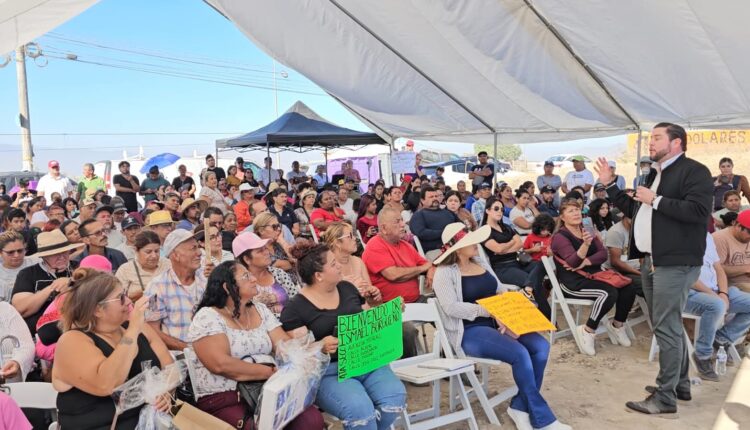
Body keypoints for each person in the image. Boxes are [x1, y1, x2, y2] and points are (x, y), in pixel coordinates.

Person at [596, 122, 713, 415]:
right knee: (668, 324)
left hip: (674, 262)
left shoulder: (694, 171)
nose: (650, 142)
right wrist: (611, 185)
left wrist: (656, 199)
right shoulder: (654, 173)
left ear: (676, 143)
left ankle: (665, 396)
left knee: (665, 326)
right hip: (650, 260)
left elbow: (699, 212)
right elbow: (637, 209)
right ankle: (680, 383)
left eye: (657, 137)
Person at [432, 223, 571, 430]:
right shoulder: (444, 273)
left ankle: (520, 407)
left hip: (499, 321)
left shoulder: (480, 261)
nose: (476, 243)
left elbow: (499, 289)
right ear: (458, 248)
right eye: (471, 241)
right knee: (520, 353)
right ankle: (543, 419)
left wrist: (514, 306)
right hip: (469, 331)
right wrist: (488, 311)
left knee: (541, 347)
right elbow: (451, 308)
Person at [281, 241, 405, 430]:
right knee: (360, 411)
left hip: (367, 359)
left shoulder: (347, 288)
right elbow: (297, 354)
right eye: (333, 263)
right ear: (319, 276)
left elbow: (367, 322)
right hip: (331, 372)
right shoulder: (296, 308)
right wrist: (320, 346)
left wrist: (383, 308)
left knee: (394, 398)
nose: (339, 265)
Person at [187, 261, 323, 430]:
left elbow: (284, 345)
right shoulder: (208, 316)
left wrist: (311, 349)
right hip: (226, 396)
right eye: (246, 276)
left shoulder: (259, 309)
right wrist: (270, 372)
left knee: (311, 420)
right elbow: (220, 364)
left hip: (266, 388)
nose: (253, 279)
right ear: (227, 287)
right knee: (262, 426)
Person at [53, 268, 173, 429]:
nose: (129, 301)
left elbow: (170, 368)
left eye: (125, 294)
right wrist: (133, 330)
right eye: (121, 298)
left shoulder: (139, 329)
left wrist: (166, 392)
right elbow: (106, 384)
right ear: (98, 310)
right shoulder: (72, 341)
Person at [551, 198, 637, 355]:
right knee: (608, 293)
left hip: (595, 275)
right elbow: (573, 261)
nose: (576, 213)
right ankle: (588, 330)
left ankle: (617, 325)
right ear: (562, 217)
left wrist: (586, 262)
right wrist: (585, 245)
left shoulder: (586, 229)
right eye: (571, 211)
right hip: (572, 283)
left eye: (577, 209)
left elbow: (603, 254)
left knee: (629, 286)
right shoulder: (560, 237)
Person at [362, 207, 432, 358]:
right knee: (407, 331)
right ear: (384, 228)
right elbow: (393, 275)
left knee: (444, 308)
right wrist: (421, 269)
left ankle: (447, 355)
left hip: (415, 299)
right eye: (397, 221)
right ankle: (409, 370)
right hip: (389, 306)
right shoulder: (375, 245)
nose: (403, 224)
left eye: (402, 220)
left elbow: (428, 265)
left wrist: (430, 270)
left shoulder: (405, 245)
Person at [684, 233, 750, 381]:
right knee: (716, 305)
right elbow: (689, 277)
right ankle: (702, 355)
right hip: (689, 294)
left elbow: (718, 268)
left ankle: (721, 338)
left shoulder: (706, 236)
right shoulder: (680, 236)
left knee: (723, 302)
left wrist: (724, 293)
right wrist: (716, 296)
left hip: (714, 290)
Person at [145, 229, 208, 351]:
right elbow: (151, 330)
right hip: (181, 357)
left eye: (198, 247)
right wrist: (188, 349)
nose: (200, 252)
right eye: (193, 248)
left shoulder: (207, 278)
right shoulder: (157, 287)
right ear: (175, 255)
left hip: (214, 352)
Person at [11, 230, 83, 336]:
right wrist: (51, 288)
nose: (62, 257)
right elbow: (21, 309)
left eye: (65, 252)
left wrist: (71, 281)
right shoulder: (28, 274)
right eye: (55, 254)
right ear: (44, 257)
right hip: (40, 334)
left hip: (78, 328)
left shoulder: (80, 268)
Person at [481, 196, 545, 309]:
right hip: (503, 268)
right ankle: (548, 318)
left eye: (502, 209)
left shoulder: (506, 227)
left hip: (518, 261)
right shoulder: (483, 231)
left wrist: (504, 248)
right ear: (487, 210)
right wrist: (510, 243)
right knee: (533, 281)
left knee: (542, 264)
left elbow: (519, 243)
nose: (500, 211)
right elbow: (498, 249)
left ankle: (528, 290)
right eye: (496, 208)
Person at [232, 232, 300, 316]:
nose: (267, 252)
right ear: (247, 259)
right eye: (260, 251)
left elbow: (296, 301)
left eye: (265, 248)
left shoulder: (278, 273)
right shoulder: (240, 284)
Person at [322, 222, 378, 300]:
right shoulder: (327, 267)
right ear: (337, 243)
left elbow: (369, 298)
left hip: (364, 310)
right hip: (344, 311)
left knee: (399, 304)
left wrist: (373, 292)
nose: (355, 238)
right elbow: (327, 301)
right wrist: (350, 288)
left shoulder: (358, 261)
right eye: (350, 236)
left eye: (354, 235)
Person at [115, 230, 170, 301]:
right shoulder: (125, 270)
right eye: (148, 252)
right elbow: (118, 299)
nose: (154, 256)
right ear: (136, 251)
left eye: (157, 251)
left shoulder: (168, 264)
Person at [410, 186, 459, 260]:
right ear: (422, 200)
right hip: (435, 250)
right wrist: (445, 232)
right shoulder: (419, 215)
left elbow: (461, 226)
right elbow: (421, 233)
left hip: (456, 246)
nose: (435, 198)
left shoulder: (448, 212)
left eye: (436, 196)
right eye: (431, 197)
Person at [602, 215, 643, 294]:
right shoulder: (616, 232)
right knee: (649, 284)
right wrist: (640, 273)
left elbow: (642, 254)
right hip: (620, 272)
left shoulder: (638, 228)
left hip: (637, 268)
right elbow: (616, 263)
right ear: (625, 216)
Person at [713, 209, 750, 292]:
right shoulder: (720, 238)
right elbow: (715, 269)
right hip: (732, 285)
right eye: (749, 232)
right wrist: (746, 269)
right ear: (737, 225)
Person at [253, 213, 296, 278]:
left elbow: (295, 258)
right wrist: (293, 262)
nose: (279, 229)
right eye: (274, 226)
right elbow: (277, 266)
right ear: (261, 230)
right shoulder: (257, 250)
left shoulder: (279, 244)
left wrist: (282, 241)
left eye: (279, 226)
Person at [0, 231, 38, 302]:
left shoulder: (37, 262)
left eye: (20, 251)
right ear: (1, 253)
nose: (16, 255)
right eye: (10, 252)